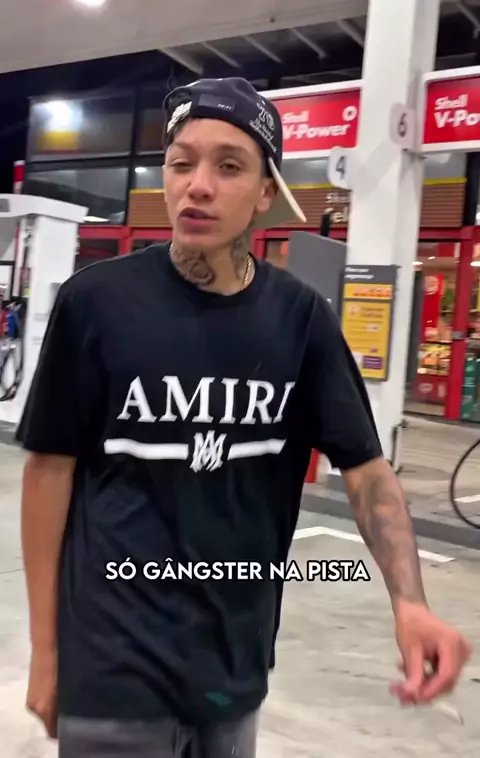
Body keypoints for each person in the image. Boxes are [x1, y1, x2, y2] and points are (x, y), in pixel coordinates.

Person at [18, 77, 471, 758]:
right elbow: (49, 474)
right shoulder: (96, 302)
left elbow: (367, 472)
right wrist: (47, 651)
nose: (198, 186)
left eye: (228, 166)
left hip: (233, 672)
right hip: (111, 671)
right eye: (181, 163)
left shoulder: (301, 320)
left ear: (265, 192)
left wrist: (409, 602)